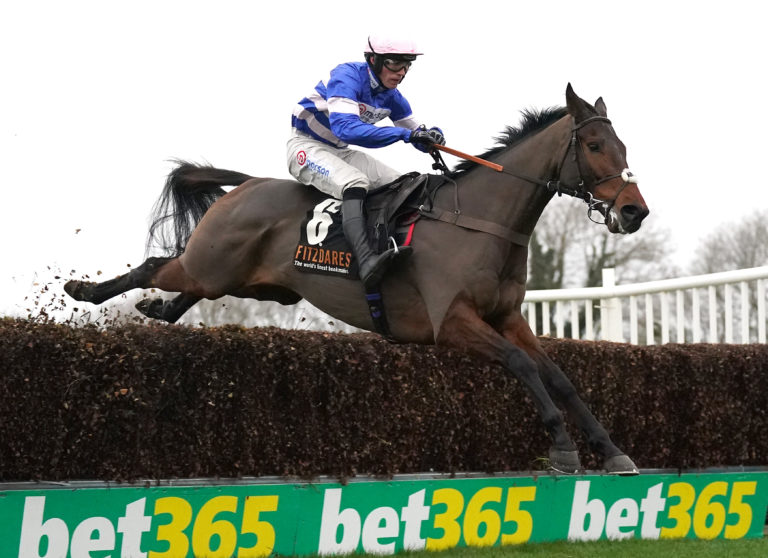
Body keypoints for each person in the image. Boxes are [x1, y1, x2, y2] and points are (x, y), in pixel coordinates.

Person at [287, 34, 445, 289]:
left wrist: (432, 136)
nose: (402, 72)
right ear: (374, 60)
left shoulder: (392, 96)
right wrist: (406, 135)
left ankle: (392, 247)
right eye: (395, 63)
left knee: (405, 184)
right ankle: (366, 262)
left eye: (407, 65)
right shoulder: (347, 76)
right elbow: (346, 129)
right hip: (305, 147)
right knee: (355, 181)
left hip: (339, 151)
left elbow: (416, 133)